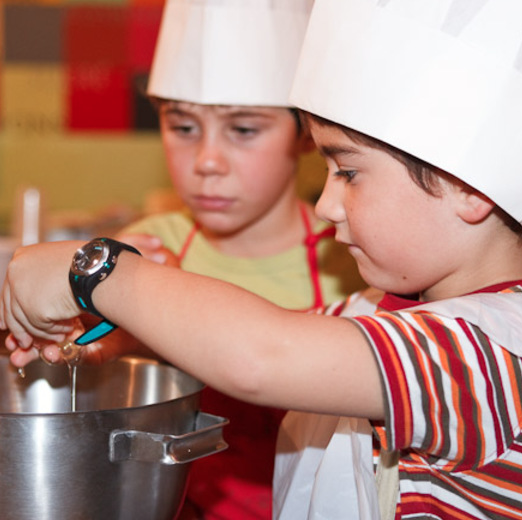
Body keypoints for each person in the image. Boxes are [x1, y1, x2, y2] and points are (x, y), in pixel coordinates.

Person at [3, 0, 522, 518]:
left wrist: (94, 269)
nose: (325, 205)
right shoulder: (383, 312)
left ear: (464, 186)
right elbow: (283, 342)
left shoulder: (490, 353)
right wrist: (141, 334)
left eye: (348, 173)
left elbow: (263, 356)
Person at [74, 1, 366, 518]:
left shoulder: (353, 259)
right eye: (183, 127)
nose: (207, 161)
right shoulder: (140, 256)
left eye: (244, 130)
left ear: (305, 135)